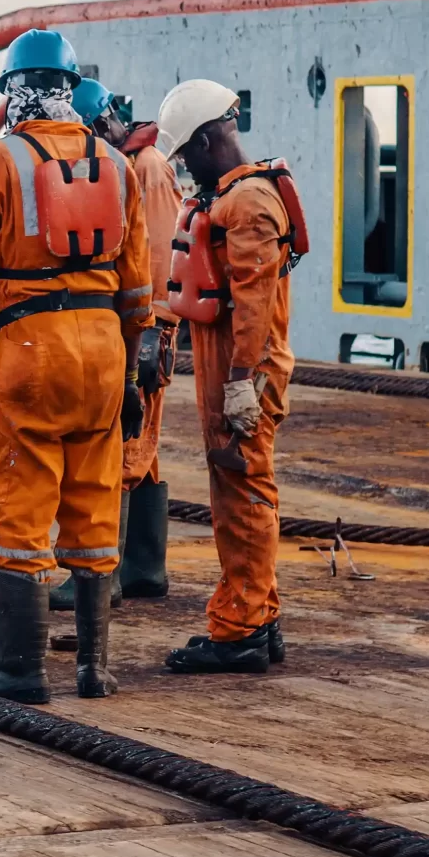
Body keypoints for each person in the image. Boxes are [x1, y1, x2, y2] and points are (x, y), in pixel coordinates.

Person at [0, 28, 156, 701]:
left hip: (30, 351)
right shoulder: (117, 165)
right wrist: (123, 367)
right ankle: (95, 668)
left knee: (20, 502)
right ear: (69, 89)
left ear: (13, 91)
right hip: (104, 351)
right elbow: (140, 288)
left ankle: (21, 671)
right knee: (93, 501)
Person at [152, 79, 297, 674]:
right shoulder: (232, 198)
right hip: (235, 371)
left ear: (211, 139)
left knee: (242, 493)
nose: (184, 166)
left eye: (187, 153)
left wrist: (241, 384)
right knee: (239, 489)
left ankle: (240, 631)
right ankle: (258, 619)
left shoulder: (248, 205)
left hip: (245, 376)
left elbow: (256, 305)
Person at [90, 82, 179, 605]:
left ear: (102, 126)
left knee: (125, 444)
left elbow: (160, 254)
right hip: (139, 321)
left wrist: (146, 328)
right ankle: (145, 571)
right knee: (144, 449)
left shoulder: (145, 167)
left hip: (148, 325)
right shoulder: (126, 165)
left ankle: (110, 575)